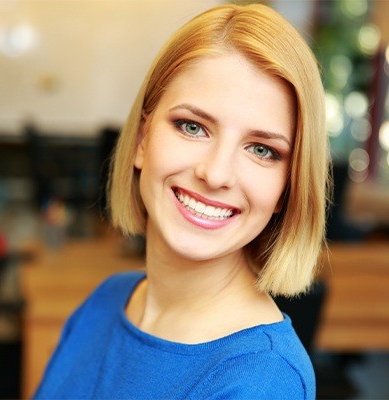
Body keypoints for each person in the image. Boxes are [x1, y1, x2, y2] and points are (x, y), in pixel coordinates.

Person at [33, 3, 329, 399]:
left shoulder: (262, 381)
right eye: (193, 127)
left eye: (261, 150)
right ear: (142, 139)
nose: (216, 173)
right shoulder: (106, 301)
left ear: (286, 189)